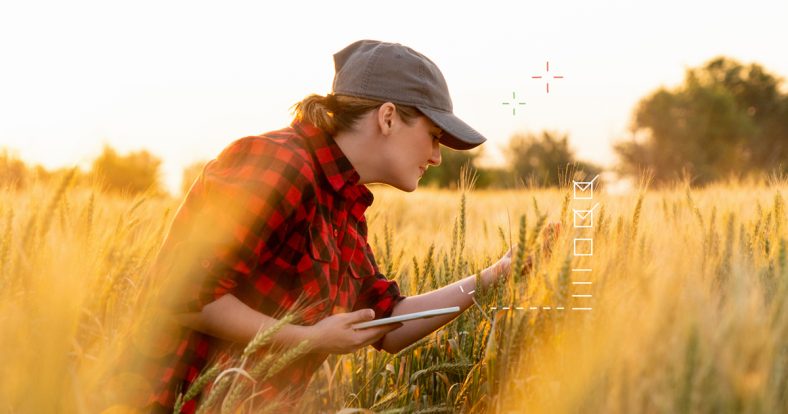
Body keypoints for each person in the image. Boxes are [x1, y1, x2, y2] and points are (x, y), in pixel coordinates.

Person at [133, 39, 524, 413]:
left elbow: (387, 322)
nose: (437, 157)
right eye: (433, 136)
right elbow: (183, 296)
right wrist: (308, 339)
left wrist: (501, 272)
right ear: (388, 117)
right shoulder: (278, 163)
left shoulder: (342, 204)